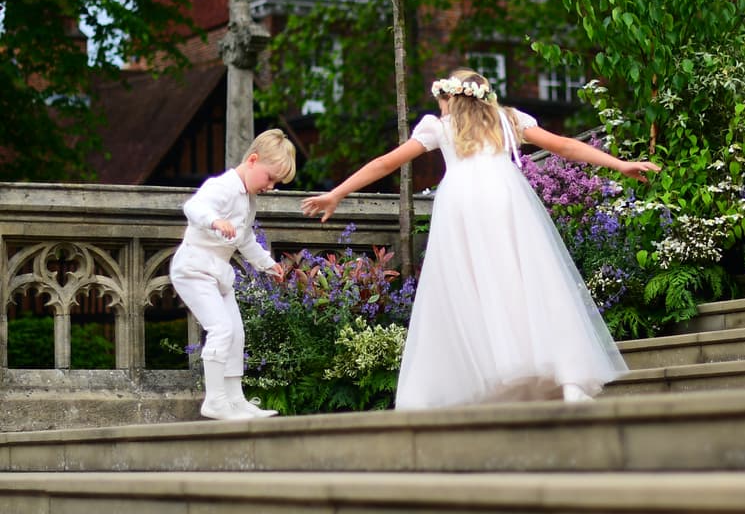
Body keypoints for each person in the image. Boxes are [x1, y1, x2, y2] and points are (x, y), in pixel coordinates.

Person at [300, 69, 660, 408]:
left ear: (451, 98)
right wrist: (620, 164)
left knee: (473, 289)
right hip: (506, 199)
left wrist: (337, 193)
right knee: (527, 282)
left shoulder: (440, 127)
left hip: (462, 206)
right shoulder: (508, 119)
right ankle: (568, 379)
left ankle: (495, 374)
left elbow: (385, 164)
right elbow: (565, 145)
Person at [170, 129, 295, 421]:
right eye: (270, 178)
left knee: (236, 334)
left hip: (217, 273)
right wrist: (215, 220)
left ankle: (235, 400)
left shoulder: (248, 199)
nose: (271, 186)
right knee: (221, 329)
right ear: (252, 160)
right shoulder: (223, 186)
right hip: (194, 268)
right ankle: (215, 401)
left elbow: (246, 239)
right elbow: (193, 207)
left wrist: (267, 264)